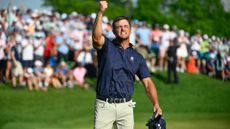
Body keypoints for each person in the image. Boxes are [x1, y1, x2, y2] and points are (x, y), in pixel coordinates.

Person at [92, 1, 162, 129]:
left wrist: (156, 103)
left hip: (126, 107)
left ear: (130, 29)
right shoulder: (106, 46)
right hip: (104, 106)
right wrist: (101, 13)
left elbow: (147, 83)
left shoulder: (137, 57)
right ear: (113, 31)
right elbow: (96, 38)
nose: (122, 29)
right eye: (118, 27)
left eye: (125, 26)